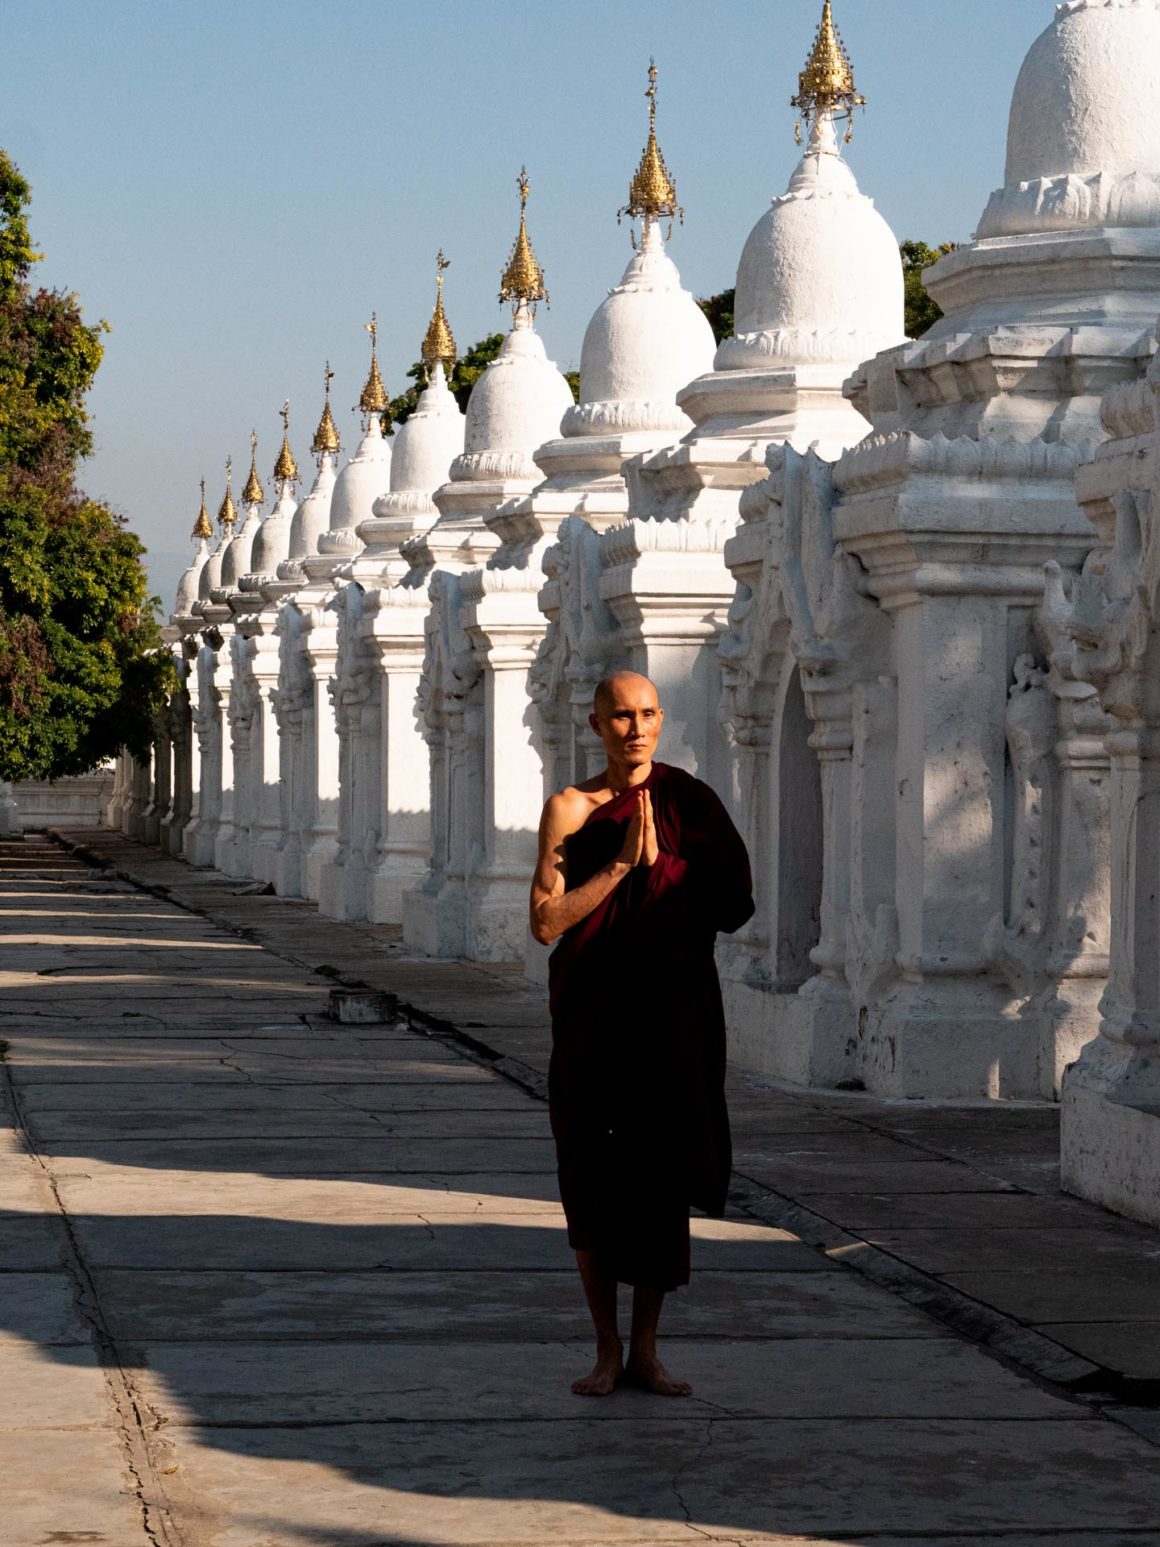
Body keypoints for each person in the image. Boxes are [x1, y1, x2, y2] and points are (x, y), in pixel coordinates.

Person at [529, 670, 754, 1397]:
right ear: (596, 724)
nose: (636, 727)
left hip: (669, 1019)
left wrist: (666, 866)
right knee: (589, 1183)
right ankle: (605, 1347)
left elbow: (734, 903)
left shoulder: (689, 802)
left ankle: (648, 1351)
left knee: (658, 1185)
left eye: (648, 713)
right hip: (592, 1020)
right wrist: (622, 866)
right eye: (621, 715)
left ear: (662, 721)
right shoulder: (569, 809)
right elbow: (544, 921)